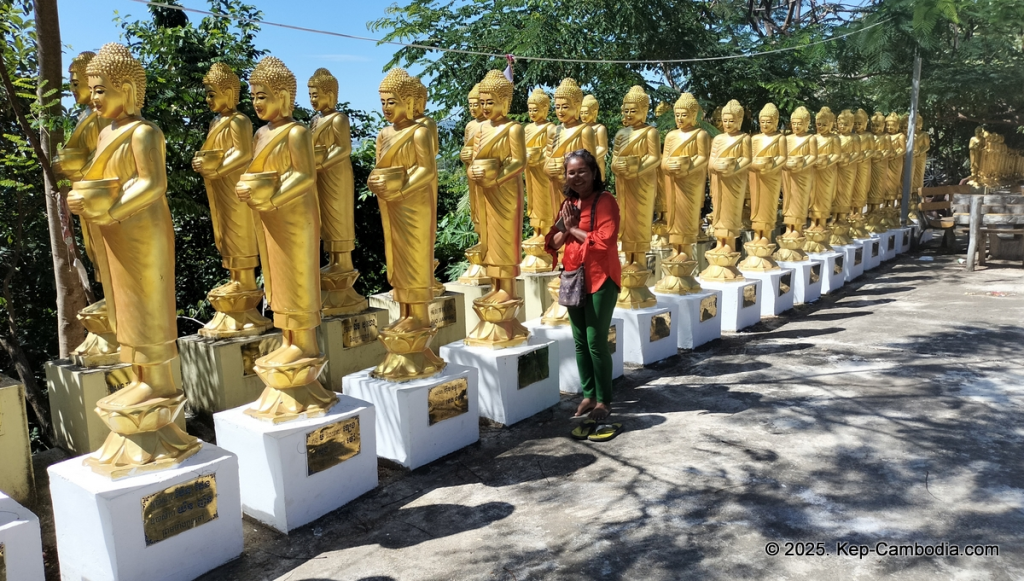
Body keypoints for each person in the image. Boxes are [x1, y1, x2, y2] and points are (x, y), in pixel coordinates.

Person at [545, 149, 622, 441]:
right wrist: (566, 229)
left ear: (593, 173)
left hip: (601, 278)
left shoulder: (606, 201)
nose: (576, 177)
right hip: (573, 276)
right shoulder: (569, 203)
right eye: (570, 172)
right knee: (579, 342)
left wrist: (575, 228)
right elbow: (552, 241)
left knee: (595, 340)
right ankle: (588, 395)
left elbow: (604, 242)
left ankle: (604, 399)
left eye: (581, 171)